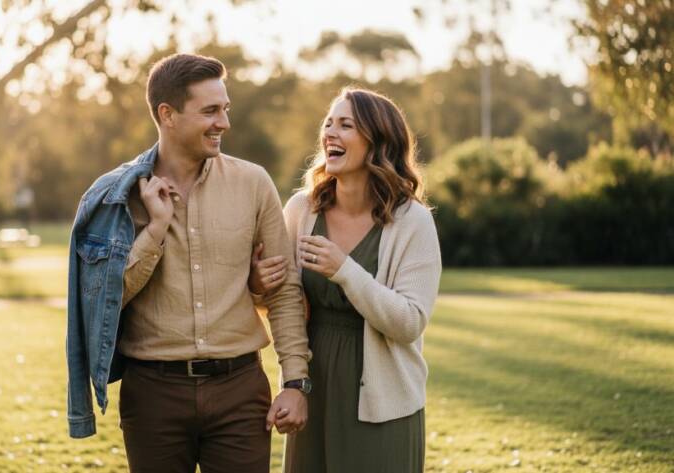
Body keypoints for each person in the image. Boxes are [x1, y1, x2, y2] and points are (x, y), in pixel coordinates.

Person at [65, 53, 312, 473]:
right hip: (153, 395)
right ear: (168, 114)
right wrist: (155, 231)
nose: (224, 123)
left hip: (239, 390)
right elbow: (103, 301)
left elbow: (284, 291)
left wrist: (295, 382)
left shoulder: (254, 184)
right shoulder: (114, 196)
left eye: (225, 109)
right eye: (210, 111)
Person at [250, 87, 441, 473]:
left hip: (384, 402)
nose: (330, 134)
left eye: (346, 125)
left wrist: (345, 270)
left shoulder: (413, 221)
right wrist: (257, 284)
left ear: (378, 141)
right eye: (328, 123)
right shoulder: (301, 209)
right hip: (312, 389)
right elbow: (281, 302)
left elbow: (409, 322)